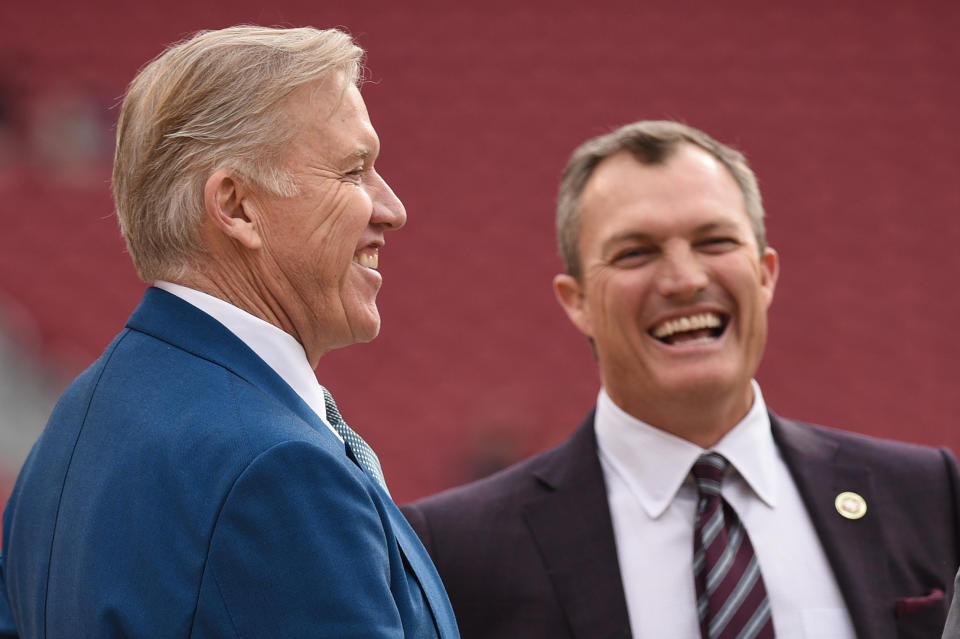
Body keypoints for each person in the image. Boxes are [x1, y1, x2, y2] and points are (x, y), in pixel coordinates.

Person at [402, 121, 960, 639]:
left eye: (715, 242)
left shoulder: (928, 496)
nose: (685, 280)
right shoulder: (455, 551)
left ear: (765, 274)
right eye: (636, 252)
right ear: (576, 303)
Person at [0, 26, 458, 639]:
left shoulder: (70, 429)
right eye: (354, 171)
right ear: (237, 207)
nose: (391, 207)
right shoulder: (279, 470)